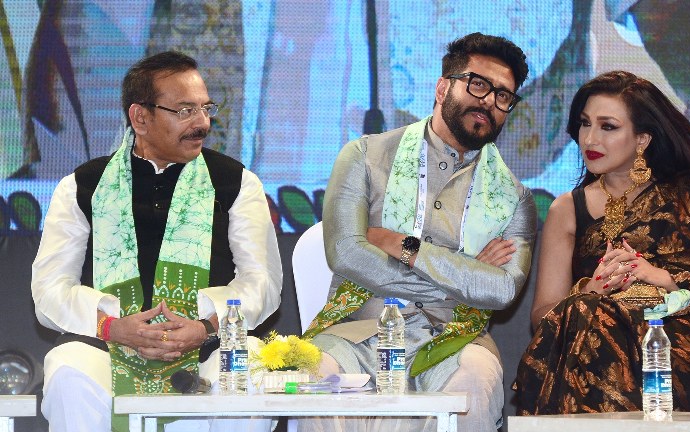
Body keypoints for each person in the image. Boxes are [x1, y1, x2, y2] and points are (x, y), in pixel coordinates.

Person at [31, 51, 282, 432]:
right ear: (140, 118)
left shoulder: (235, 182)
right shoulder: (83, 186)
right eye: (185, 111)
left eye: (206, 108)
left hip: (208, 347)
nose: (202, 123)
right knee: (69, 370)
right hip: (107, 347)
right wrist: (112, 327)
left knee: (248, 366)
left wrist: (206, 326)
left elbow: (262, 281)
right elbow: (50, 288)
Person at [297, 33, 536, 432]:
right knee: (315, 376)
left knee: (475, 382)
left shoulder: (514, 198)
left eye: (503, 96)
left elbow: (501, 290)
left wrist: (404, 246)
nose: (489, 102)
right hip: (357, 333)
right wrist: (463, 279)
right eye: (478, 85)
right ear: (443, 88)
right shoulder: (364, 156)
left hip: (455, 339)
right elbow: (346, 252)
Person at [514, 70, 690, 415]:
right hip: (591, 346)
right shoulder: (567, 209)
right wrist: (591, 289)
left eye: (608, 126)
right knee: (588, 313)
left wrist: (663, 277)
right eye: (584, 124)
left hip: (682, 353)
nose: (590, 139)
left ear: (642, 139)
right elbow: (542, 318)